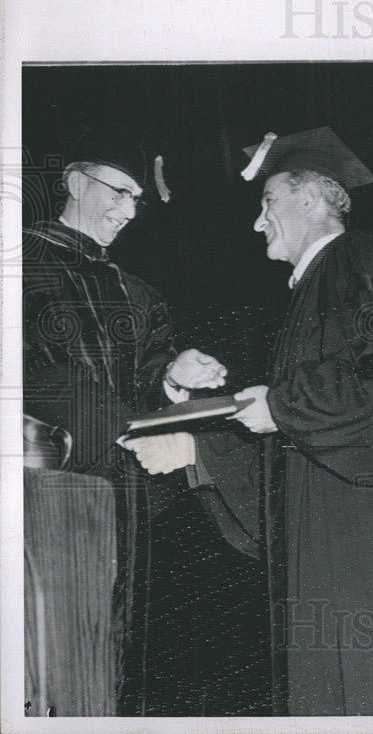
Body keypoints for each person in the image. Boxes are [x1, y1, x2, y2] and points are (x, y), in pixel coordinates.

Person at [127, 127, 373, 715]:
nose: (257, 223)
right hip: (339, 543)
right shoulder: (316, 286)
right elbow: (300, 452)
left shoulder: (362, 255)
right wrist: (198, 452)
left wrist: (282, 405)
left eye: (268, 204)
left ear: (310, 201)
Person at [22, 128, 228, 713]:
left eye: (138, 199)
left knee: (112, 639)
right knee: (44, 637)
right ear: (74, 183)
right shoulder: (18, 263)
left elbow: (145, 385)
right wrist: (96, 419)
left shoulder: (135, 292)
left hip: (124, 492)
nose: (128, 210)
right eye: (119, 191)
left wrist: (175, 376)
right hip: (44, 483)